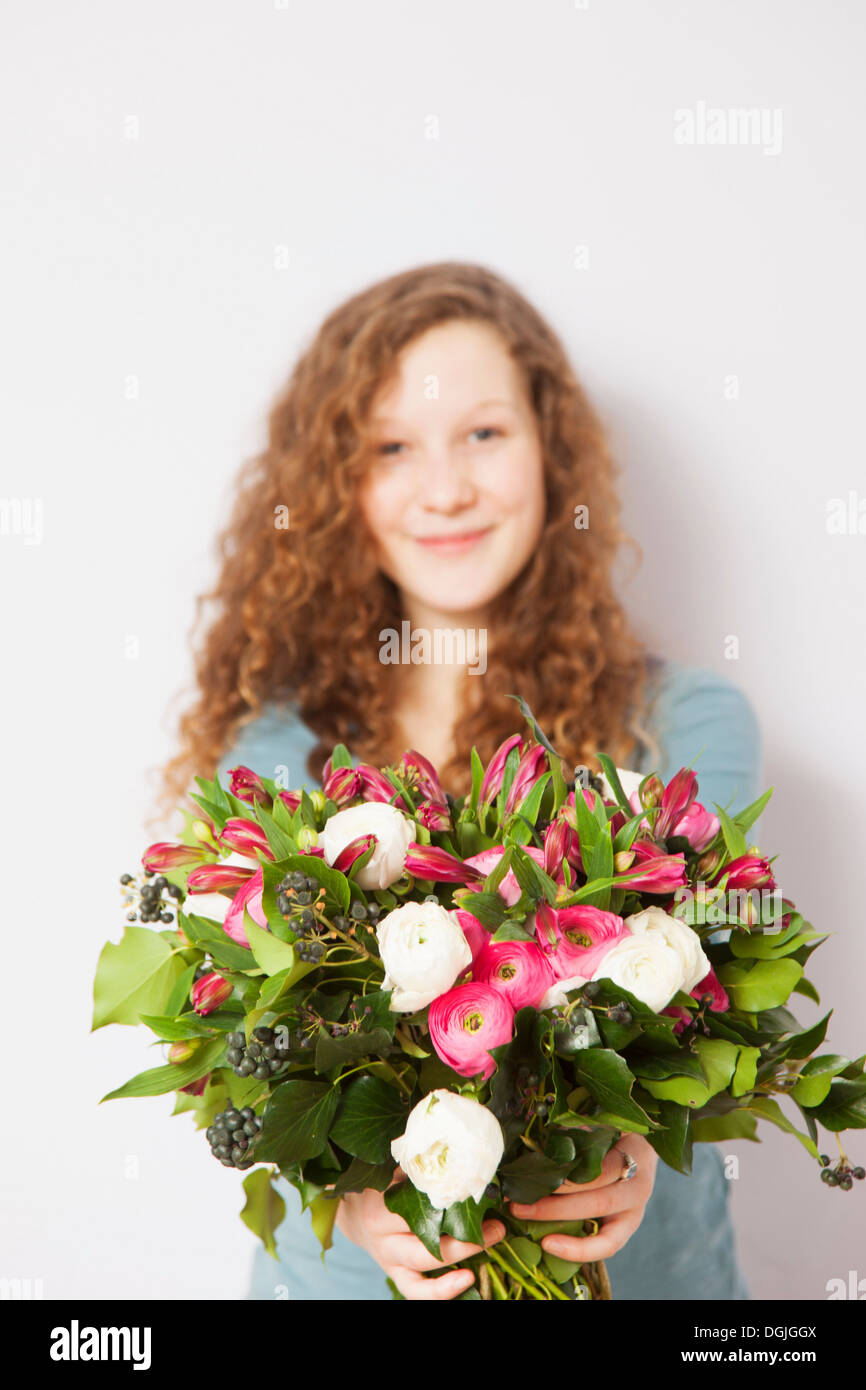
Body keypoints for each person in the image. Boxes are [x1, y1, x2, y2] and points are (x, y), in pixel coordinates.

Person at [158, 262, 761, 1300]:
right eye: (392, 447)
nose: (444, 488)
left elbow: (713, 1026)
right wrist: (345, 1187)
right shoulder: (267, 757)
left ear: (548, 449)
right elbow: (238, 1063)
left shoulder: (680, 732)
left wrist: (636, 1151)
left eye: (483, 433)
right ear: (338, 480)